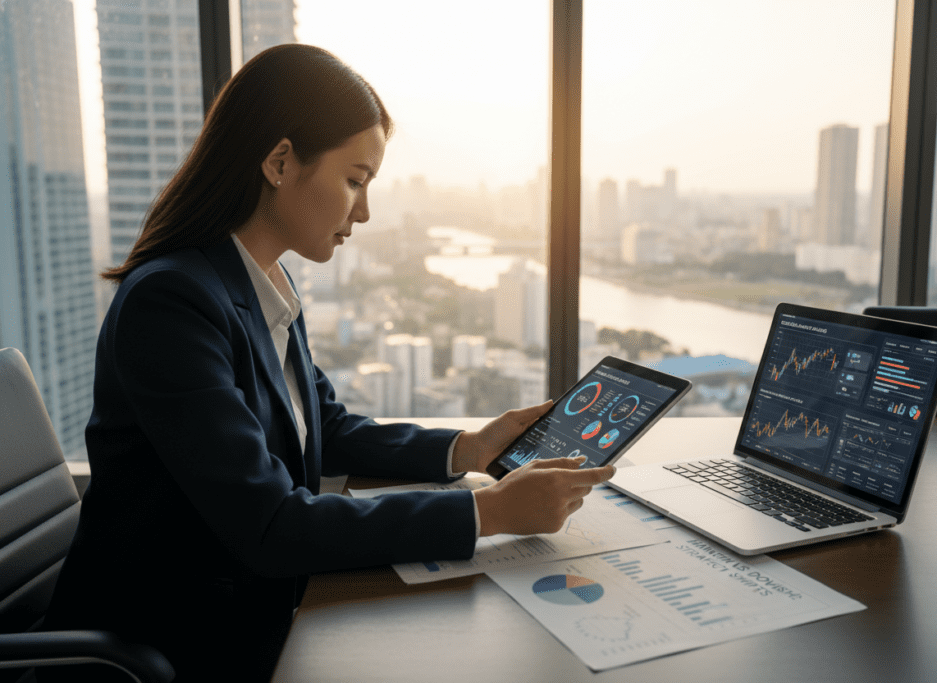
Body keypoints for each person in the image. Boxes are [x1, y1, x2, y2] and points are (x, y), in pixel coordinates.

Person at [42, 44, 614, 682]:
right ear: (281, 162)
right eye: (355, 180)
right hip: (179, 645)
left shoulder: (260, 284)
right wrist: (490, 513)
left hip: (251, 612)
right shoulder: (171, 303)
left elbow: (328, 428)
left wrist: (469, 448)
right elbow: (271, 523)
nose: (363, 212)